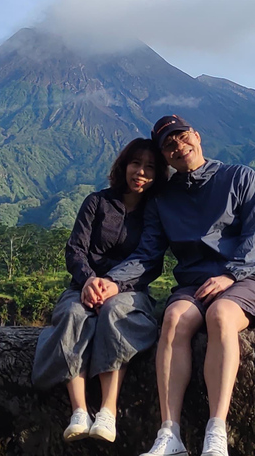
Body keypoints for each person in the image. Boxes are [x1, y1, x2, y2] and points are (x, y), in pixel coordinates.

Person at [92, 115, 255, 456]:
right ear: (164, 157)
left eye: (180, 137)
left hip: (246, 279)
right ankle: (169, 433)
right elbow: (148, 253)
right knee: (174, 318)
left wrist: (230, 276)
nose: (177, 146)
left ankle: (215, 430)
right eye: (168, 144)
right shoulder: (163, 199)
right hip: (193, 286)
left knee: (221, 315)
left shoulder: (239, 178)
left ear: (196, 135)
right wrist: (111, 282)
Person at [31, 138, 168, 443]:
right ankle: (79, 411)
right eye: (136, 163)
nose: (141, 172)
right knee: (70, 313)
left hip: (128, 291)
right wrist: (90, 280)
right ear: (124, 165)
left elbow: (149, 259)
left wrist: (114, 284)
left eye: (150, 167)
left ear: (158, 174)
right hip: (83, 286)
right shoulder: (96, 202)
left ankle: (108, 411)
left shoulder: (155, 213)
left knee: (114, 311)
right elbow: (75, 249)